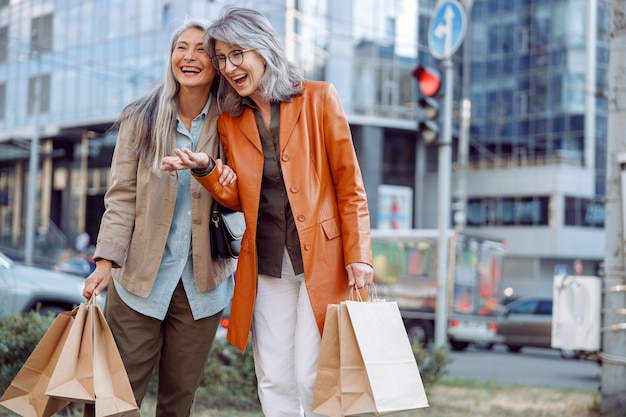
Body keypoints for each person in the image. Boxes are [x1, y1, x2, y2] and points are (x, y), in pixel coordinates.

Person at [160, 7, 374, 417]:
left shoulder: (319, 97)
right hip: (267, 264)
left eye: (237, 53)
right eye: (222, 58)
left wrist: (359, 254)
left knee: (314, 376)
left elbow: (350, 185)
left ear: (263, 50)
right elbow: (238, 195)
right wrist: (205, 168)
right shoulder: (231, 119)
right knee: (274, 376)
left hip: (323, 262)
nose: (228, 66)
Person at [82, 19, 237, 417]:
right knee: (113, 398)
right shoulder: (141, 116)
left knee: (177, 402)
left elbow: (244, 194)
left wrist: (210, 169)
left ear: (217, 62)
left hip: (203, 286)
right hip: (138, 281)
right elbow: (121, 198)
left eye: (201, 49)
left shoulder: (234, 121)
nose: (189, 56)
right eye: (180, 47)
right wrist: (105, 261)